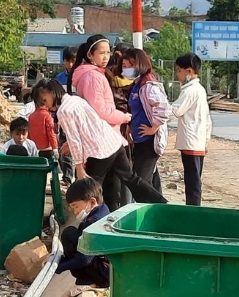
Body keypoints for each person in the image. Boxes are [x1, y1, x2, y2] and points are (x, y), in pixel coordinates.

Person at [41, 78, 166, 211]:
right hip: (113, 143)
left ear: (52, 92)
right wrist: (70, 143)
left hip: (99, 152)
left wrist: (79, 167)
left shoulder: (63, 111)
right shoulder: (76, 100)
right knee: (129, 179)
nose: (46, 105)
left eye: (44, 100)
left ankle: (92, 221)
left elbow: (75, 141)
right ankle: (160, 204)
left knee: (90, 189)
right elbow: (88, 126)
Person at [167, 54, 211, 206]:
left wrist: (156, 114)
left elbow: (175, 111)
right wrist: (206, 140)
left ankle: (193, 209)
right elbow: (207, 119)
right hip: (198, 140)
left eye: (179, 71)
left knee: (192, 180)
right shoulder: (199, 89)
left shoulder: (189, 91)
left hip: (191, 141)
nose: (177, 74)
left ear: (189, 71)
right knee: (194, 178)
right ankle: (194, 206)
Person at [124, 48, 170, 193]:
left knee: (141, 183)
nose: (125, 70)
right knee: (148, 182)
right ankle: (159, 210)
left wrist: (153, 128)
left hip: (148, 141)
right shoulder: (136, 85)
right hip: (139, 140)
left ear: (138, 65)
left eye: (128, 66)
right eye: (123, 67)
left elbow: (164, 109)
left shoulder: (148, 85)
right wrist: (130, 127)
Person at [71, 34, 130, 137]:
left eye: (108, 53)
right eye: (102, 53)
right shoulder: (93, 76)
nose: (106, 57)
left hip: (100, 131)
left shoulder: (94, 73)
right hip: (102, 134)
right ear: (90, 55)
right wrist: (123, 117)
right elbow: (100, 110)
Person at [56, 177, 111, 288]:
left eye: (76, 206)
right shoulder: (104, 210)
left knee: (69, 234)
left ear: (92, 202)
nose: (75, 212)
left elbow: (84, 258)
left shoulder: (93, 224)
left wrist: (59, 267)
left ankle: (86, 280)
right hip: (109, 271)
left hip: (104, 275)